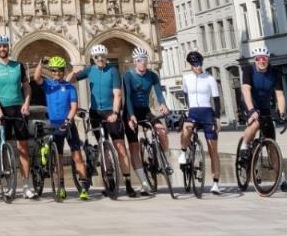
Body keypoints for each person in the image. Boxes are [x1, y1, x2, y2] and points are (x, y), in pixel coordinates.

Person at [70, 44, 141, 196]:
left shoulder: (113, 71)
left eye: (102, 56)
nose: (100, 59)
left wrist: (115, 112)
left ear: (106, 57)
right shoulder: (90, 69)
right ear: (93, 59)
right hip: (95, 113)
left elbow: (118, 95)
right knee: (103, 148)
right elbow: (73, 79)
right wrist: (71, 73)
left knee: (120, 147)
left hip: (110, 111)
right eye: (97, 57)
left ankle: (128, 183)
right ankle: (109, 181)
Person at [239, 46, 287, 194]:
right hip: (249, 102)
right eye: (258, 59)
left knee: (272, 146)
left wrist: (283, 114)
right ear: (255, 60)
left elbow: (280, 95)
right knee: (256, 122)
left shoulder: (274, 72)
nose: (261, 61)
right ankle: (245, 146)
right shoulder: (248, 70)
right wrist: (251, 110)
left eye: (264, 58)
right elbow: (246, 90)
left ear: (268, 60)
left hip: (264, 107)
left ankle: (282, 181)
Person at [0, 33, 35, 198]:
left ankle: (26, 185)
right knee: (4, 147)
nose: (2, 48)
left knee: (23, 148)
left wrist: (26, 103)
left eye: (5, 46)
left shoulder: (18, 66)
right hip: (3, 111)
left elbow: (27, 87)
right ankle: (9, 184)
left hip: (18, 109)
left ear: (8, 47)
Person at [33, 55, 88, 200]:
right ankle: (61, 187)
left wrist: (68, 120)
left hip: (67, 124)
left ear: (63, 72)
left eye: (60, 71)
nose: (57, 74)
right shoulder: (48, 85)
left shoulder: (70, 87)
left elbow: (74, 106)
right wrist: (41, 63)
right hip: (54, 124)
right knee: (59, 158)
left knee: (77, 156)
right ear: (51, 71)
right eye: (55, 71)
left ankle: (83, 187)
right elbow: (37, 77)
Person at [123, 46, 171, 194]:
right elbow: (128, 97)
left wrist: (163, 105)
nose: (142, 63)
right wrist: (131, 116)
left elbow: (158, 93)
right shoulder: (128, 76)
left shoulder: (152, 75)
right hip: (130, 111)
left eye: (144, 60)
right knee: (134, 147)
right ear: (134, 62)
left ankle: (163, 160)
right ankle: (144, 182)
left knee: (161, 131)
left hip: (145, 110)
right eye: (139, 61)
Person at [178, 50, 223, 195]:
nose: (198, 66)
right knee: (186, 128)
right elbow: (185, 95)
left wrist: (217, 118)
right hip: (193, 111)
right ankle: (184, 152)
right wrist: (187, 109)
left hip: (207, 112)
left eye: (199, 64)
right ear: (190, 65)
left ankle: (216, 183)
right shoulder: (186, 78)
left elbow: (216, 100)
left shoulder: (210, 79)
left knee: (213, 150)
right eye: (195, 64)